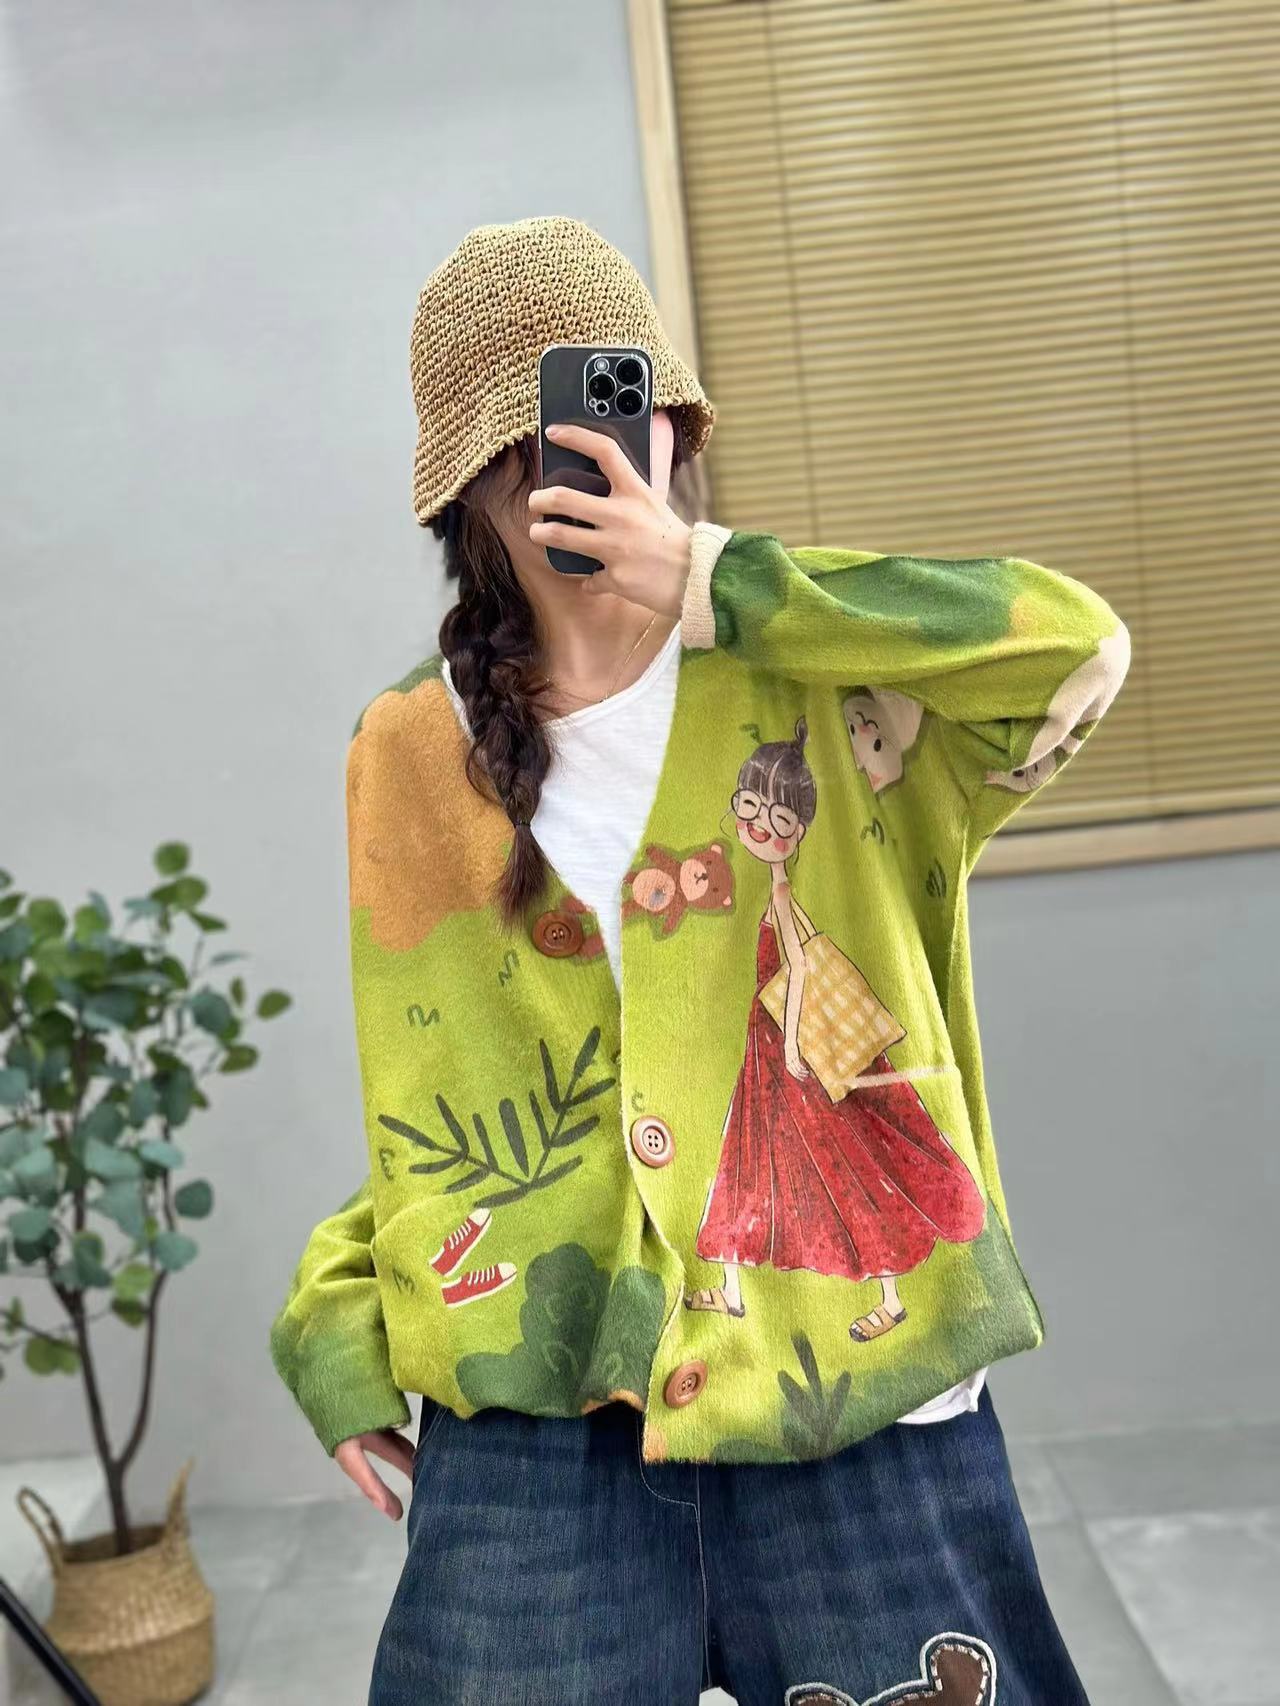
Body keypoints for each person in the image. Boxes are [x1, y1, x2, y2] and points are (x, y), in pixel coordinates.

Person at [270, 215, 1130, 1706]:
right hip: (547, 1418)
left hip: (848, 1385)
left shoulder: (826, 673)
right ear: (466, 491)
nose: (588, 461)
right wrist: (338, 1303)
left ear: (677, 428)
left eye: (625, 410)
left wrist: (717, 581)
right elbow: (456, 1100)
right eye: (529, 443)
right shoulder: (408, 751)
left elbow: (1074, 646)